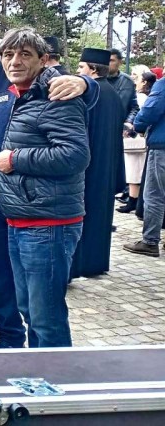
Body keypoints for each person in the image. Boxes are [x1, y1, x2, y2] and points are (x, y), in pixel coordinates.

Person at [0, 29, 93, 348]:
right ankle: (11, 341)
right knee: (2, 281)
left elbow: (71, 104)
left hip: (36, 209)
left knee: (42, 307)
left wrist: (87, 82)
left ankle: (48, 369)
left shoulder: (25, 85)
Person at [0, 28, 90, 348]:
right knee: (30, 310)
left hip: (48, 225)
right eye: (8, 55)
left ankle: (56, 386)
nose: (15, 61)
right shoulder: (23, 94)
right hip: (23, 220)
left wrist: (15, 159)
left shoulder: (56, 95)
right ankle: (39, 375)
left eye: (25, 55)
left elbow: (74, 155)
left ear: (44, 59)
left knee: (46, 317)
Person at [70, 48, 125, 278]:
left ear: (92, 69)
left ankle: (80, 264)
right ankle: (97, 261)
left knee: (85, 214)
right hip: (108, 164)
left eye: (81, 67)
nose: (78, 71)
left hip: (90, 164)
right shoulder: (112, 92)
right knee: (102, 215)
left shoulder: (89, 94)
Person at [123, 72, 165, 257]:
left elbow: (150, 110)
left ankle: (150, 241)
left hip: (162, 145)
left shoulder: (163, 84)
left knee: (154, 195)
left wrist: (137, 126)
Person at [118, 66, 154, 212]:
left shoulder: (142, 97)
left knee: (135, 170)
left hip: (136, 138)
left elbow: (141, 115)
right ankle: (132, 199)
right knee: (133, 170)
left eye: (136, 76)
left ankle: (133, 200)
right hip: (135, 137)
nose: (133, 78)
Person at [107, 48, 139, 124]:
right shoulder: (96, 80)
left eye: (111, 60)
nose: (107, 63)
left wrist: (128, 122)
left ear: (120, 62)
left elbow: (134, 107)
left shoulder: (128, 82)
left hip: (119, 127)